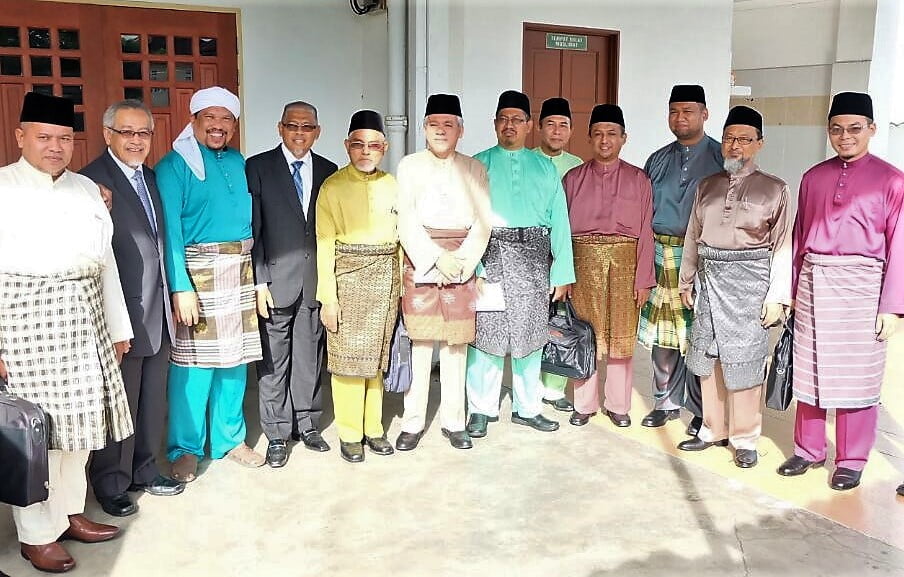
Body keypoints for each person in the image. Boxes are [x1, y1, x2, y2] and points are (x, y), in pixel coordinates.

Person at [0, 92, 133, 573]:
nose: (55, 147)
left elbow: (106, 262)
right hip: (24, 326)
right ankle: (36, 535)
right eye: (44, 137)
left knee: (80, 430)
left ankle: (71, 514)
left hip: (87, 320)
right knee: (40, 436)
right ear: (21, 137)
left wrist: (118, 327)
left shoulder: (87, 190)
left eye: (63, 139)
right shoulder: (3, 187)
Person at [777, 91, 904, 490]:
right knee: (809, 367)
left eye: (854, 128)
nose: (845, 136)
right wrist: (791, 290)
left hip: (863, 288)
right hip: (814, 282)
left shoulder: (892, 180)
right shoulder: (812, 177)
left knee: (857, 377)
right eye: (836, 129)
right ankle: (808, 449)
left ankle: (851, 458)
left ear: (872, 129)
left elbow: (900, 245)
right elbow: (799, 237)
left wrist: (892, 306)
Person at [156, 86, 265, 482]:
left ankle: (229, 440)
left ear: (234, 125)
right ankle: (185, 447)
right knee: (194, 367)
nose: (218, 126)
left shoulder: (238, 161)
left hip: (239, 270)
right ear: (194, 120)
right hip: (197, 275)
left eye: (226, 119)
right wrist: (180, 286)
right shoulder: (173, 166)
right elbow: (169, 231)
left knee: (236, 361)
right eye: (210, 117)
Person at [81, 100, 184, 517]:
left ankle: (144, 469)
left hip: (158, 312)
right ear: (108, 134)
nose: (136, 141)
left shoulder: (152, 177)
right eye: (127, 132)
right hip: (121, 314)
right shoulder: (89, 182)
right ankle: (111, 481)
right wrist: (110, 321)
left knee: (151, 400)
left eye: (143, 133)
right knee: (119, 401)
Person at [676, 106, 791, 468]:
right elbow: (693, 237)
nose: (735, 146)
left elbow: (782, 247)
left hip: (750, 286)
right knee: (708, 358)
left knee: (745, 363)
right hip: (709, 279)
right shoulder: (707, 186)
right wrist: (686, 280)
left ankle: (744, 438)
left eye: (744, 139)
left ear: (759, 143)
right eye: (729, 138)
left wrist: (777, 297)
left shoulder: (775, 188)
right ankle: (712, 429)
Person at [465, 90, 575, 438]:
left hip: (534, 256)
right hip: (491, 254)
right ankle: (481, 409)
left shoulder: (544, 167)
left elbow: (560, 221)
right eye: (503, 119)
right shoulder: (477, 164)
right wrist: (473, 267)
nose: (509, 125)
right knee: (487, 333)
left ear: (529, 125)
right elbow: (467, 218)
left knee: (530, 334)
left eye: (517, 119)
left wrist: (562, 272)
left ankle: (528, 408)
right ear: (495, 124)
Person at [395, 93, 491, 451]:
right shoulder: (409, 166)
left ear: (460, 130)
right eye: (433, 124)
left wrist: (461, 262)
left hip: (461, 264)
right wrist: (435, 257)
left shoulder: (474, 169)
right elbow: (405, 219)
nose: (440, 130)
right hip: (421, 260)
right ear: (424, 129)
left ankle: (454, 421)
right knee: (420, 344)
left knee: (455, 346)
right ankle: (412, 422)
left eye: (448, 124)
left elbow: (483, 222)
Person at [247, 101, 338, 467]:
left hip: (313, 280)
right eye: (292, 126)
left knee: (309, 357)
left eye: (307, 127)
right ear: (280, 128)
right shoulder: (258, 167)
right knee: (274, 361)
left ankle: (308, 423)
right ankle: (277, 433)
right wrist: (259, 282)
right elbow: (254, 229)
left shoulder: (329, 170)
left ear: (317, 131)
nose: (300, 133)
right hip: (274, 281)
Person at [316, 110, 400, 463]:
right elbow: (324, 244)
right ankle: (350, 432)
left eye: (374, 145)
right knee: (348, 361)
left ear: (385, 147)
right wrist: (328, 298)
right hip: (347, 280)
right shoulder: (332, 187)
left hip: (385, 280)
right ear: (346, 146)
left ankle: (374, 428)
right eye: (358, 144)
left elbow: (402, 238)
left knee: (376, 359)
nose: (366, 151)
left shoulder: (393, 185)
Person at [639, 84, 723, 436]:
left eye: (688, 111)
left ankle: (702, 409)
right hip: (662, 252)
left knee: (699, 336)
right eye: (674, 111)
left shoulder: (722, 156)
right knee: (664, 336)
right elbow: (643, 211)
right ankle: (665, 402)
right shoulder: (657, 159)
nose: (680, 117)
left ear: (705, 114)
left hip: (702, 257)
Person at [564, 104, 654, 428]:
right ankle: (584, 404)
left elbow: (646, 231)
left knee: (621, 337)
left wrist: (643, 279)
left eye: (612, 134)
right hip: (582, 265)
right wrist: (564, 275)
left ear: (623, 138)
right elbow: (560, 231)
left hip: (625, 266)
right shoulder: (572, 179)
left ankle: (618, 405)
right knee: (584, 334)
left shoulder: (639, 180)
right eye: (598, 133)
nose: (605, 140)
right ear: (589, 138)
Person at [534, 96, 583, 413]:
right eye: (550, 124)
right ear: (538, 128)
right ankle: (530, 387)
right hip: (531, 252)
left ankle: (554, 389)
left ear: (571, 130)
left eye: (562, 125)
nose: (556, 131)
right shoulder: (527, 160)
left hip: (564, 252)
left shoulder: (578, 167)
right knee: (531, 319)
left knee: (560, 320)